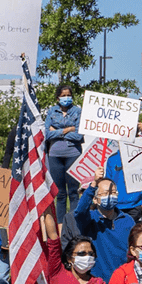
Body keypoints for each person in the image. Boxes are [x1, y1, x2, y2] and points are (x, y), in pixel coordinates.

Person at [44, 84, 84, 221]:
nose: (66, 98)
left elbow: (79, 136)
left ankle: (74, 223)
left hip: (73, 153)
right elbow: (47, 135)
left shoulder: (77, 111)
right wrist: (67, 130)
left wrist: (56, 131)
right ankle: (61, 225)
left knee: (73, 192)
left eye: (68, 95)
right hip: (55, 155)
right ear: (58, 98)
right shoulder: (52, 111)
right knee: (60, 193)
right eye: (63, 95)